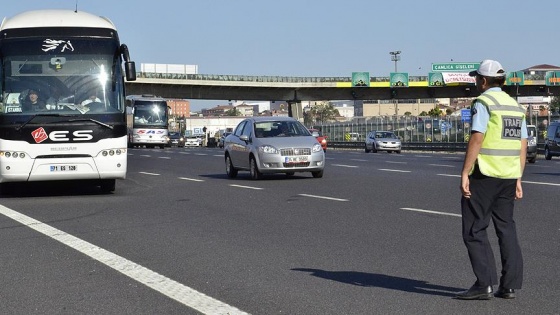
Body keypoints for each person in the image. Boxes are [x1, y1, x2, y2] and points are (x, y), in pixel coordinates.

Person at [456, 60, 526, 300]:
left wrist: (465, 171)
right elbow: (522, 143)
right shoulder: (515, 106)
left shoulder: (484, 102)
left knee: (475, 229)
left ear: (483, 81)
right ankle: (509, 286)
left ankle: (484, 284)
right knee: (506, 229)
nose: (476, 82)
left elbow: (478, 136)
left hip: (485, 174)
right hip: (508, 175)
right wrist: (518, 176)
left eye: (477, 78)